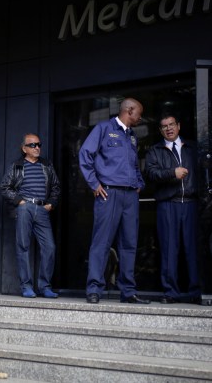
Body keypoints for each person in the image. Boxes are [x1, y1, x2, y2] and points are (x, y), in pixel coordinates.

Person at [78, 98, 150, 304]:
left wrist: (139, 182)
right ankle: (94, 289)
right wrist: (94, 184)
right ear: (129, 110)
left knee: (129, 244)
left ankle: (127, 291)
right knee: (101, 243)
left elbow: (135, 165)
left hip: (130, 196)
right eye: (138, 114)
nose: (140, 118)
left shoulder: (132, 136)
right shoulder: (103, 128)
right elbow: (85, 154)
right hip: (108, 194)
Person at [145, 113, 202, 304]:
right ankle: (171, 292)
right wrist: (172, 173)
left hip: (191, 203)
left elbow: (204, 172)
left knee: (192, 249)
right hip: (168, 204)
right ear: (160, 130)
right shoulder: (155, 150)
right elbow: (151, 173)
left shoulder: (193, 148)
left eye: (171, 124)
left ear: (178, 126)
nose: (168, 128)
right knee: (169, 249)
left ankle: (196, 291)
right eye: (164, 126)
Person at [0, 133, 61, 298]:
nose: (37, 148)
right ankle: (26, 286)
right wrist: (20, 202)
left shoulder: (47, 165)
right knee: (23, 247)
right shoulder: (17, 166)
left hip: (42, 209)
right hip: (24, 207)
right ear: (24, 148)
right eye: (33, 145)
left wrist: (51, 204)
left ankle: (44, 287)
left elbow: (56, 186)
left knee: (49, 247)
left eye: (38, 144)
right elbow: (5, 187)